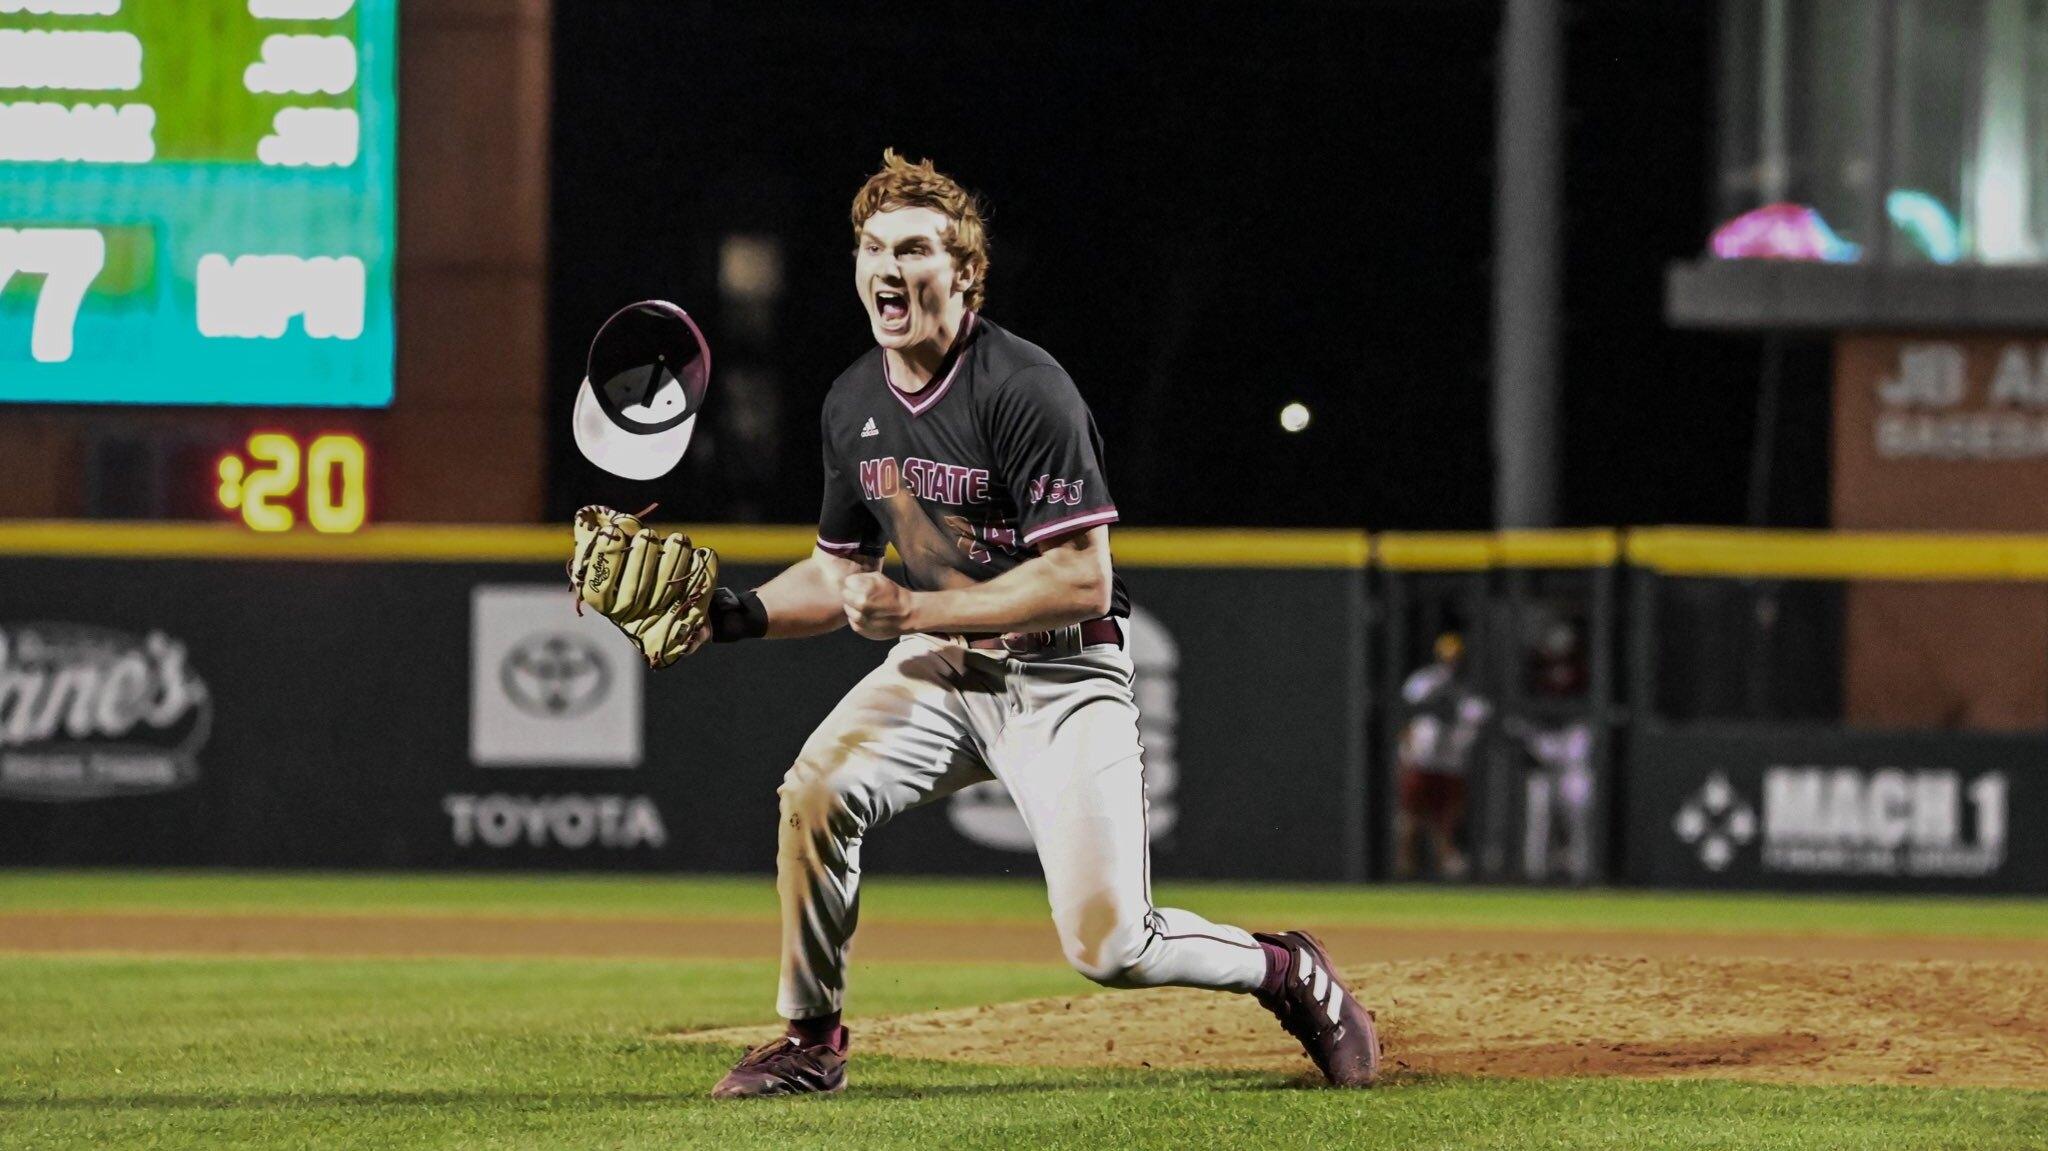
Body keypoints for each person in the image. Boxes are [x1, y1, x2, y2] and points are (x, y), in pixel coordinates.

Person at [686, 150, 1380, 1097]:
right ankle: (812, 1036)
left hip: (1063, 676)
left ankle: (1287, 969)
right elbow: (837, 571)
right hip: (942, 670)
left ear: (965, 272)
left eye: (915, 248)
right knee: (816, 790)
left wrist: (917, 608)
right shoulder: (852, 401)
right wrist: (733, 615)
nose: (888, 267)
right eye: (873, 248)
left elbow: (1084, 578)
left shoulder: (1023, 385)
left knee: (1114, 948)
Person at [1394, 632, 1491, 879]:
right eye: (1447, 657)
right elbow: (1406, 715)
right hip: (1422, 756)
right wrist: (1405, 750)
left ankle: (1443, 863)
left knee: (1446, 816)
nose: (1451, 663)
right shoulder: (1423, 681)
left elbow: (1479, 717)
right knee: (1411, 813)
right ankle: (1404, 864)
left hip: (1451, 761)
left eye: (1455, 658)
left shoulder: (1468, 688)